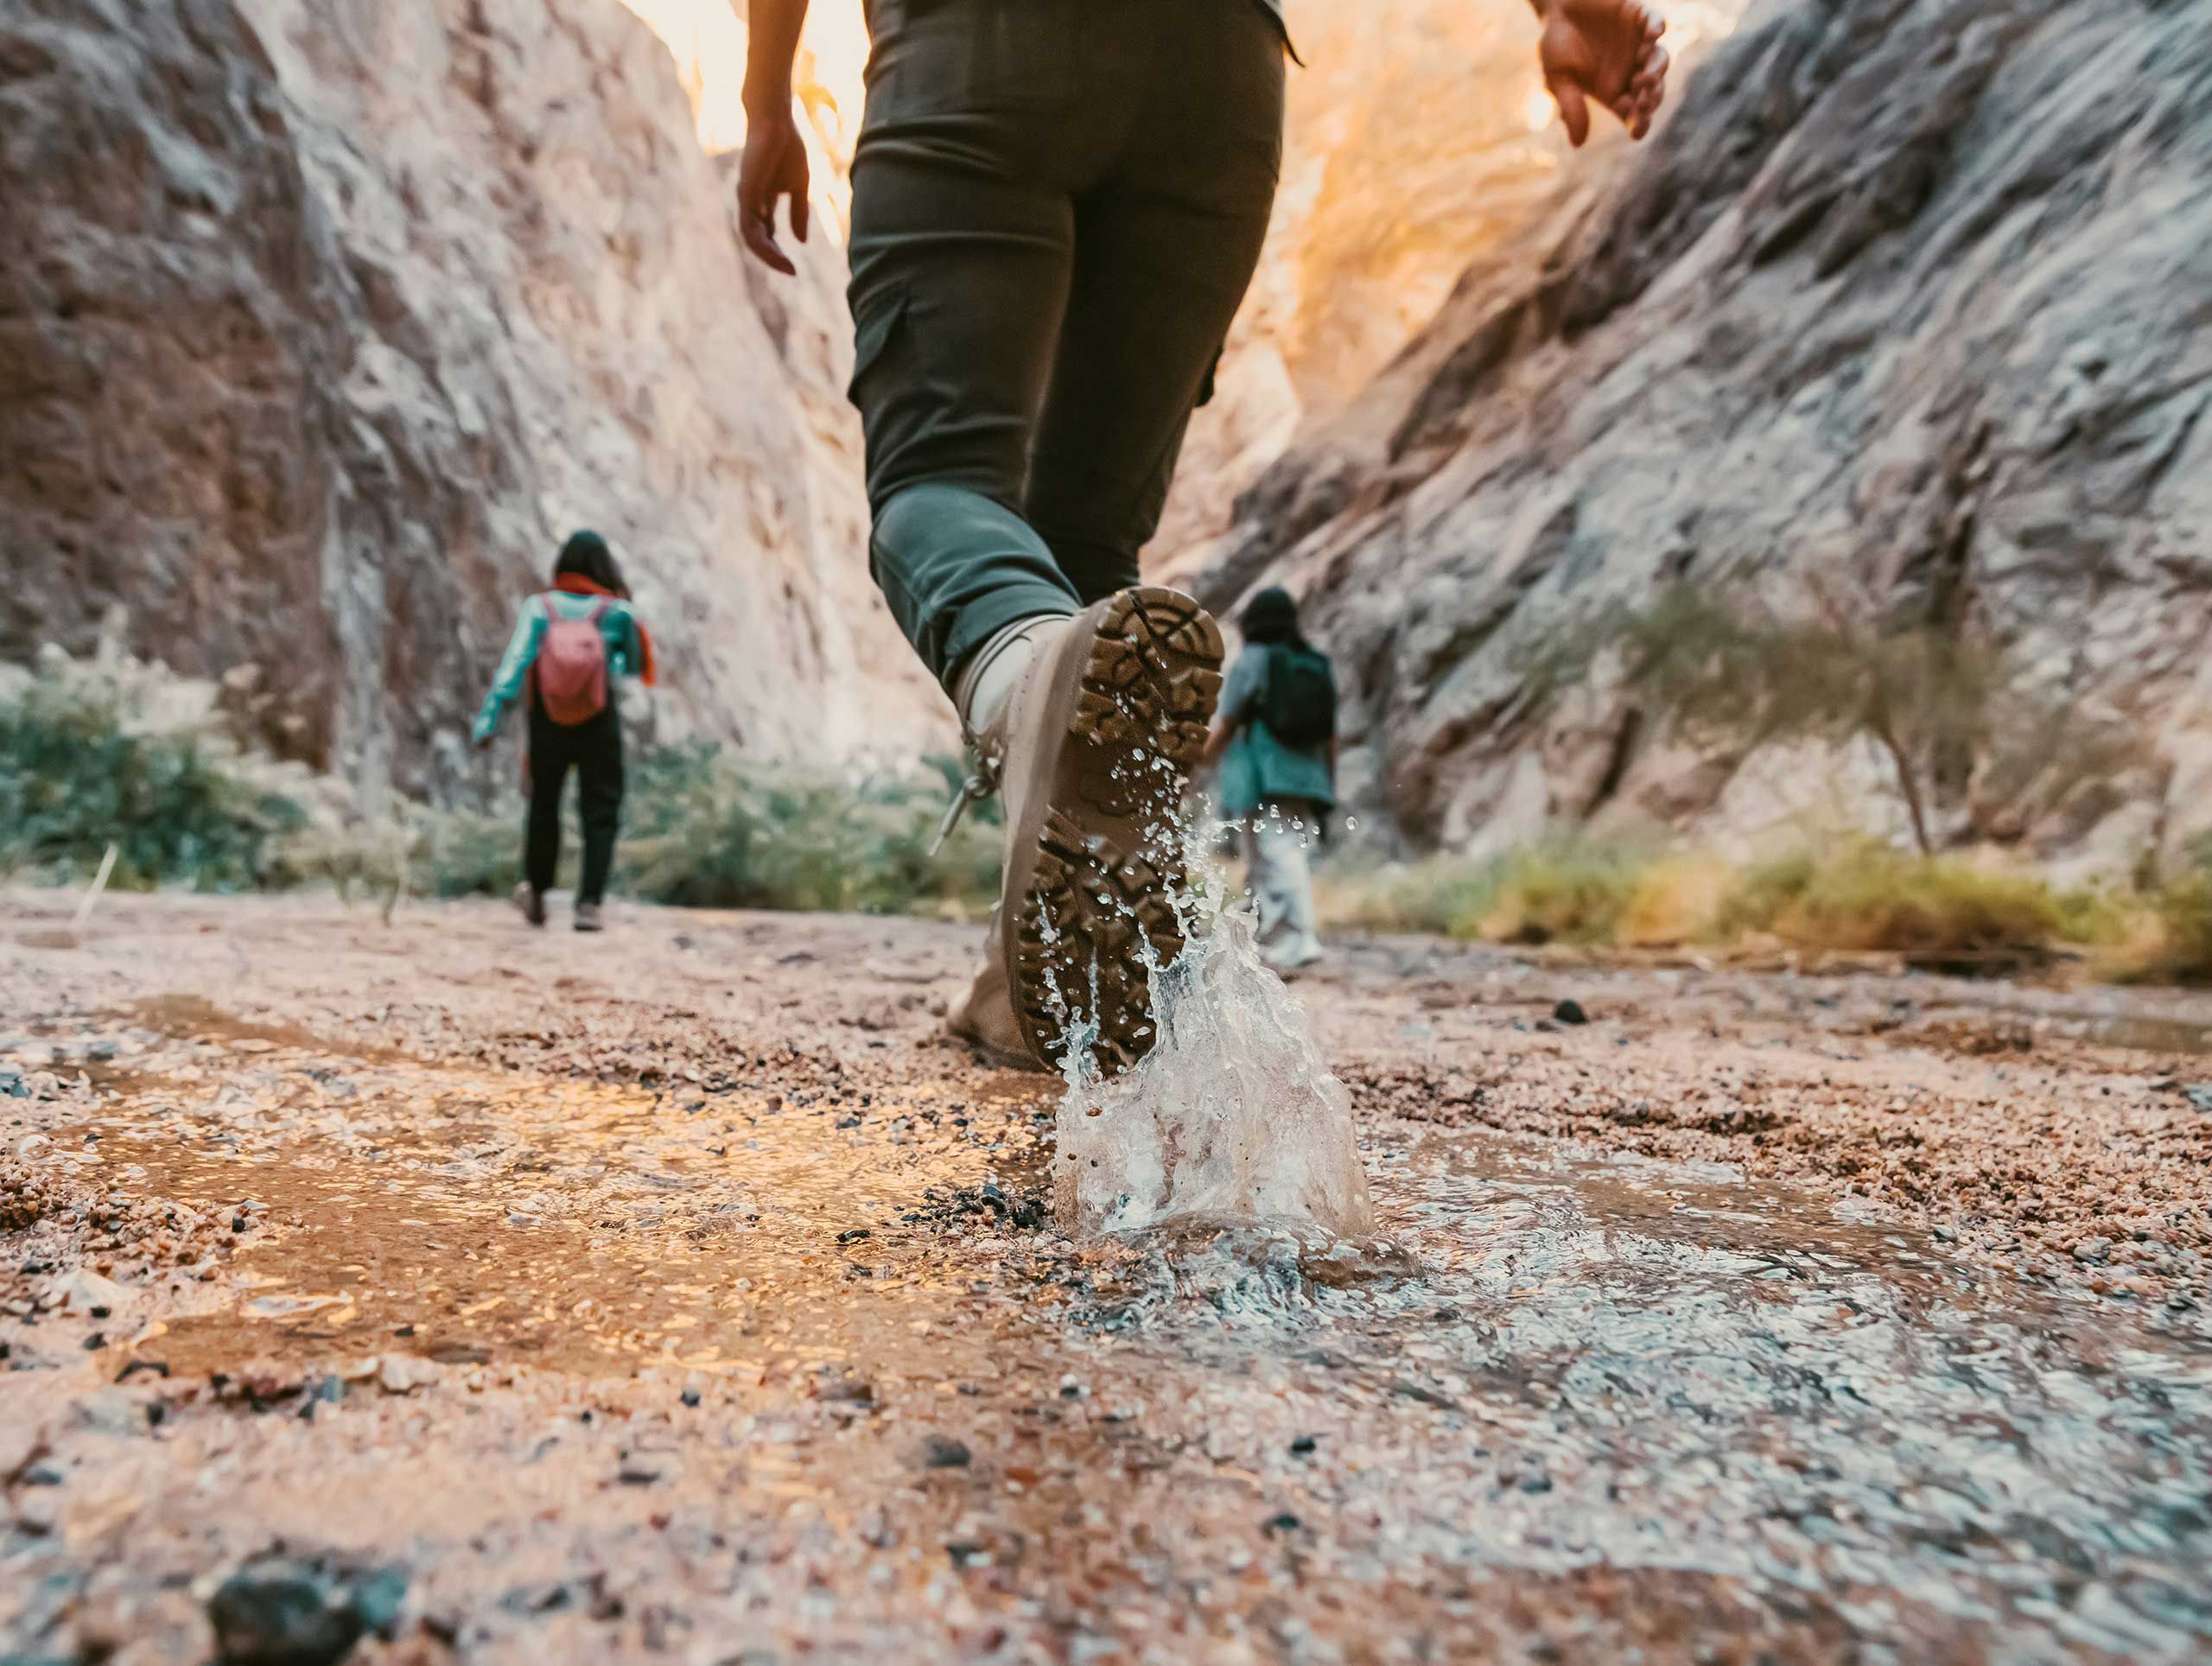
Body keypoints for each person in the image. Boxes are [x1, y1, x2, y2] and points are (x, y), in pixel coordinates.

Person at [736, 0, 1669, 1071]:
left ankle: (1021, 686)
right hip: (1218, 78)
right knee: (1084, 561)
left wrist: (768, 101)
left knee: (935, 486)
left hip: (978, 55)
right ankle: (1036, 979)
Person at [473, 531, 658, 934]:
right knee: (601, 809)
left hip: (547, 718)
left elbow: (515, 663)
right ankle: (588, 904)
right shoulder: (617, 612)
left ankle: (537, 894)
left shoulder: (539, 607)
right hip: (597, 718)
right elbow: (631, 666)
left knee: (543, 805)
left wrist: (489, 718)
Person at [1199, 587, 1336, 972]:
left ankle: (1301, 939)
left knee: (1278, 854)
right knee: (1272, 856)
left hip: (1262, 776)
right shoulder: (1313, 663)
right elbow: (1330, 735)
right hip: (1305, 775)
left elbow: (1226, 725)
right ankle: (1277, 939)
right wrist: (1329, 781)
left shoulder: (1253, 661)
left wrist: (1193, 768)